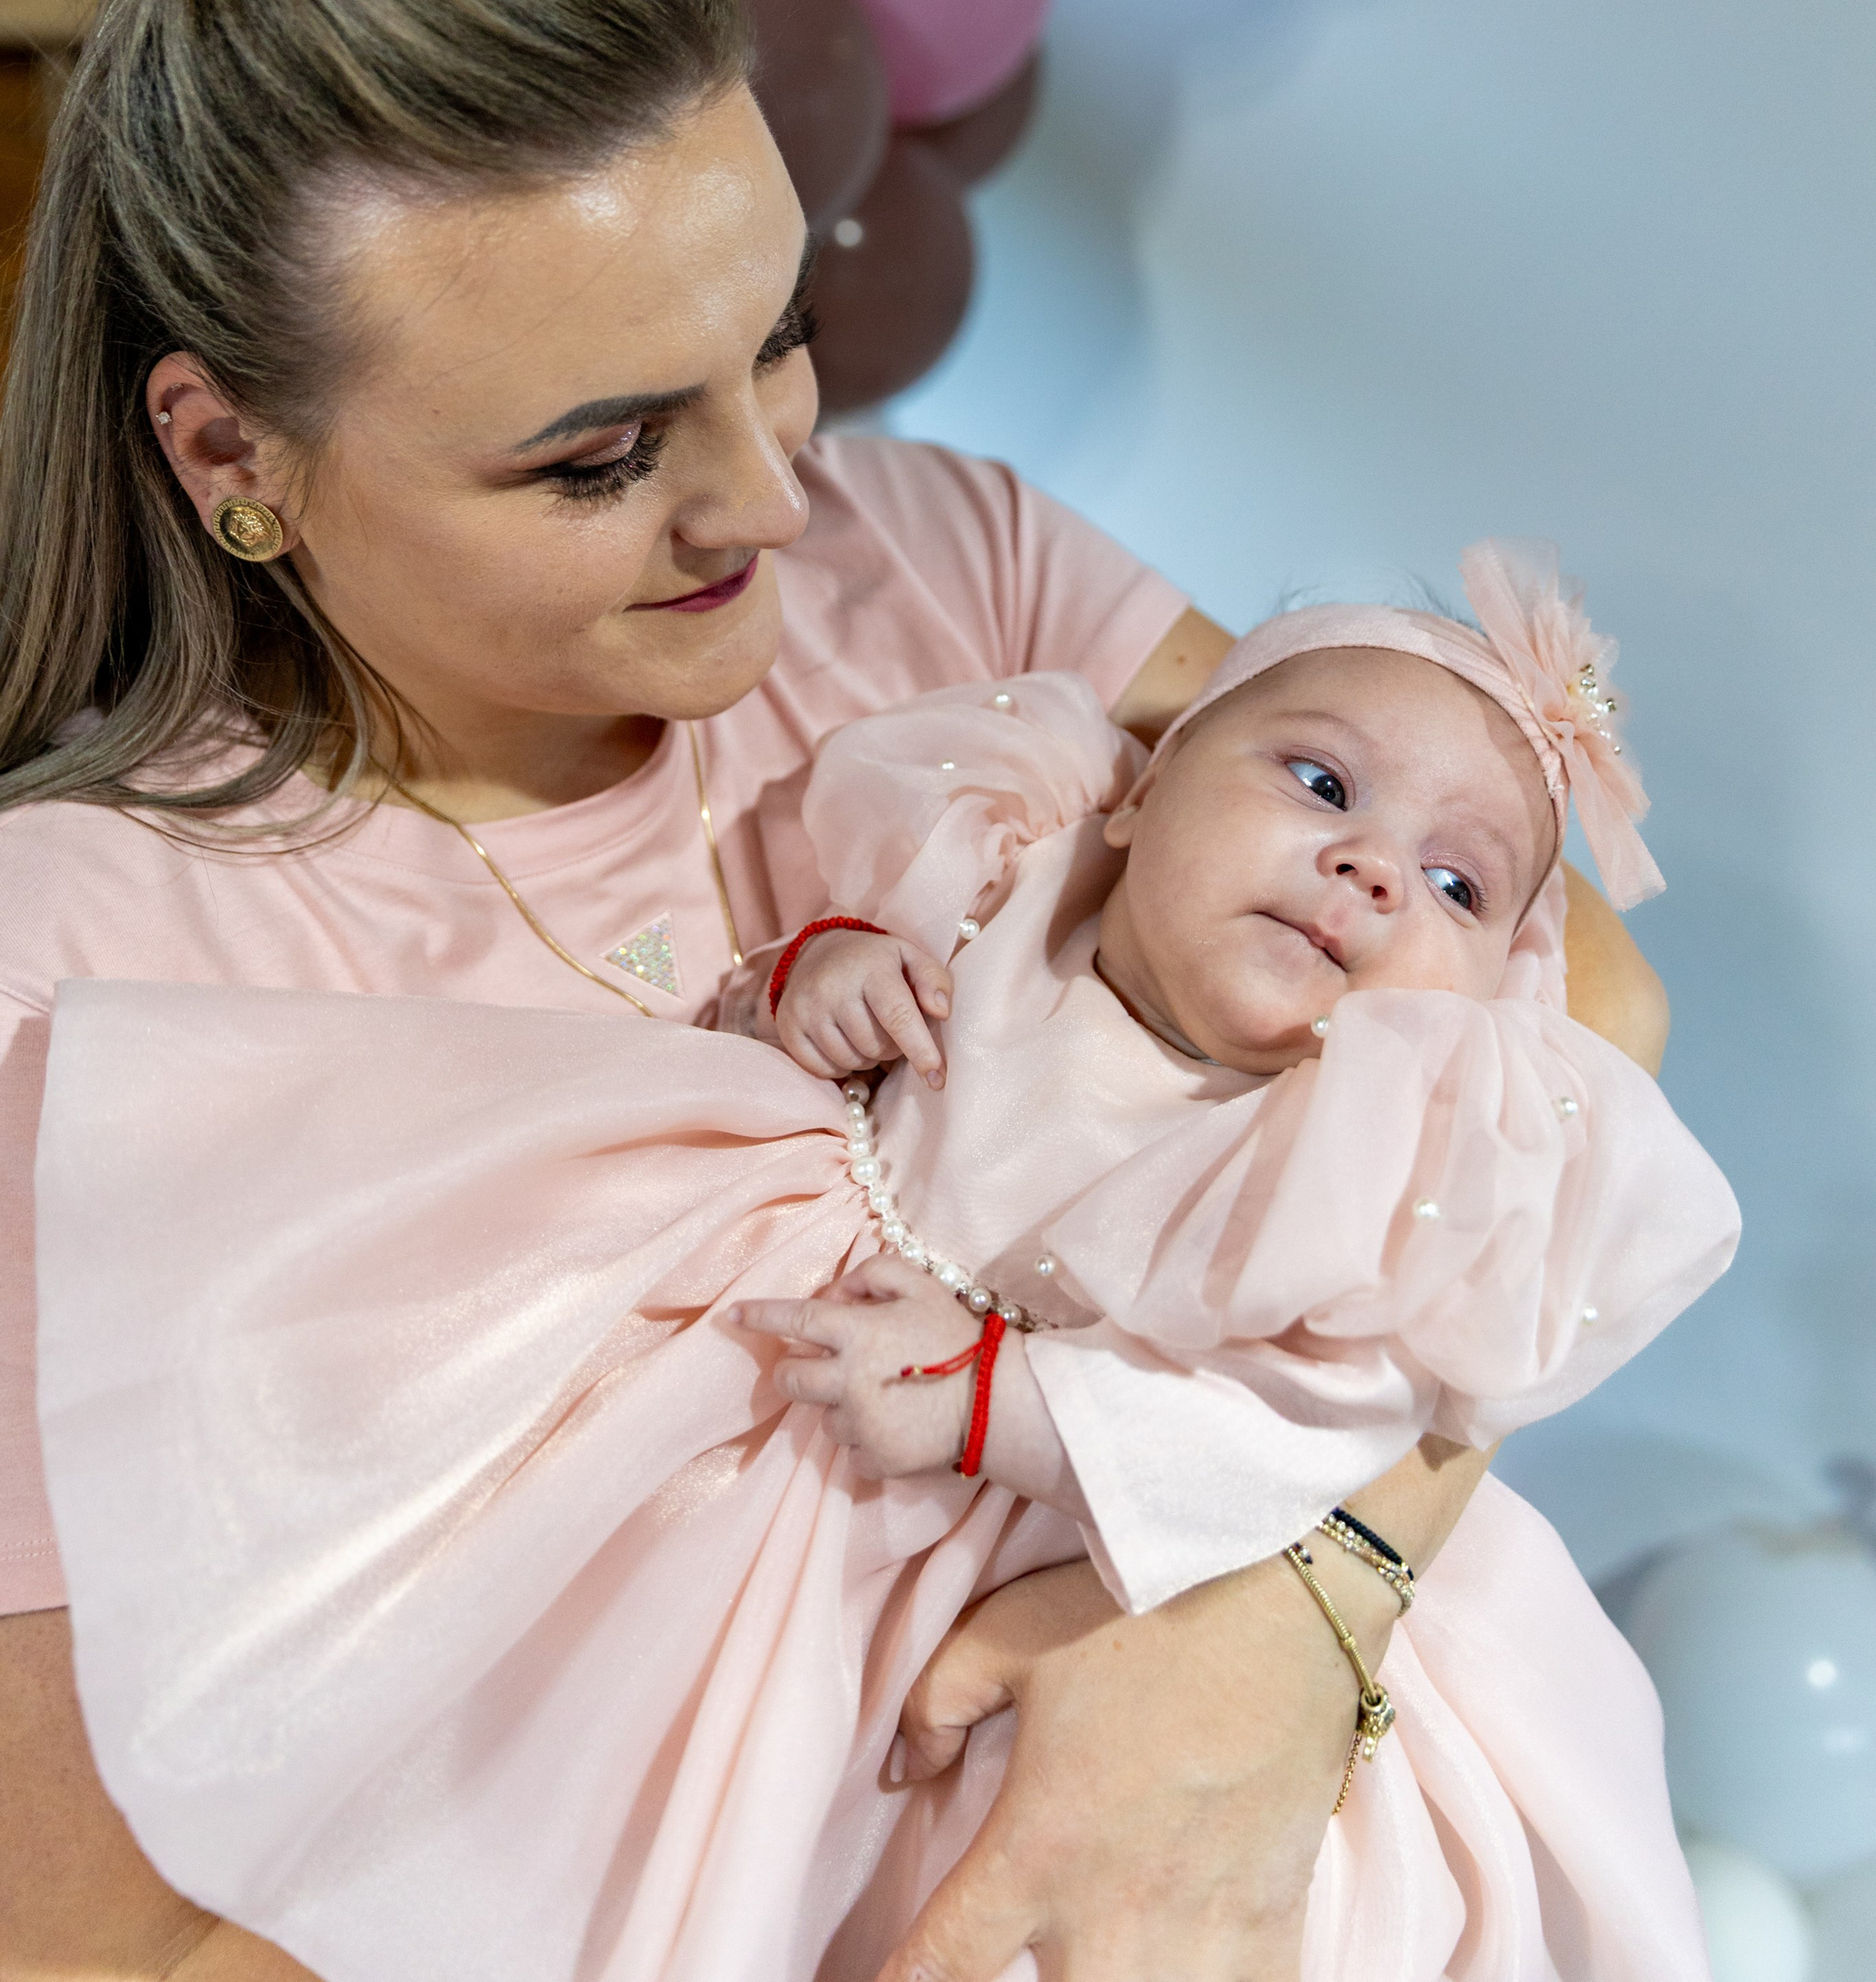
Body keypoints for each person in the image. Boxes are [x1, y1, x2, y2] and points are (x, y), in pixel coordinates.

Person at [0, 0, 1668, 1982]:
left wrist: (1288, 1613)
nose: (778, 501)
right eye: (602, 458)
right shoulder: (87, 975)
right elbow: (91, 1935)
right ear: (235, 458)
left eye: (778, 336)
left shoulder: (957, 577)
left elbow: (1578, 1013)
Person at [30, 547, 1734, 1981]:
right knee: (576, 1791)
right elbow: (799, 1023)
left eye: (1455, 884)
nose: (1369, 869)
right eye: (1321, 786)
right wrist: (809, 981)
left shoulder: (1362, 1158)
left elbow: (1316, 1422)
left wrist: (1017, 1403)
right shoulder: (1006, 878)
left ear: (1489, 997)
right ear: (1143, 791)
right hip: (765, 1443)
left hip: (1070, 1538)